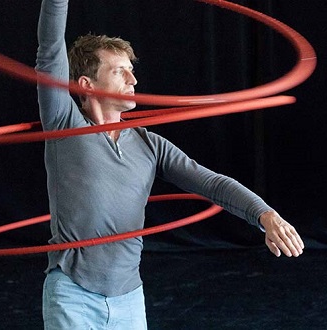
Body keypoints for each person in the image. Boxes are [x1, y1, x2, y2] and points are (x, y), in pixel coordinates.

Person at [35, 0, 304, 328]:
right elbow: (49, 49)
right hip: (73, 294)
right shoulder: (64, 123)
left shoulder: (150, 145)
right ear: (85, 86)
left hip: (130, 298)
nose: (132, 79)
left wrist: (265, 214)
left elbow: (211, 183)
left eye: (132, 70)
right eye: (119, 71)